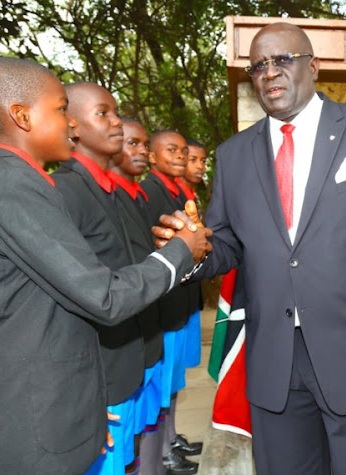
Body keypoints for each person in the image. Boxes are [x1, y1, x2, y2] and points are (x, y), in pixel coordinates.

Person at [172, 22, 346, 474]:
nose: (269, 72)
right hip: (274, 363)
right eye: (258, 66)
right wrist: (192, 247)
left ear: (313, 67)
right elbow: (227, 246)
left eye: (282, 60)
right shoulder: (235, 154)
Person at [0, 57, 210, 474]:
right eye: (60, 110)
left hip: (51, 407)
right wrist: (180, 251)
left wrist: (83, 408)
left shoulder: (25, 184)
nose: (71, 125)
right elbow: (103, 297)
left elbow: (59, 313)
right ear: (21, 116)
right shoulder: (9, 187)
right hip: (24, 417)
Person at [52, 82, 147, 475]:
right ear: (72, 125)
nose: (117, 124)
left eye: (116, 113)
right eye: (103, 113)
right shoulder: (64, 190)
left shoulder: (107, 190)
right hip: (97, 376)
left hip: (122, 361)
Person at [107, 117, 167, 472]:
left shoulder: (133, 195)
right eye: (133, 143)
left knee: (144, 422)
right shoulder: (85, 194)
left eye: (143, 144)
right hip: (119, 338)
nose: (141, 151)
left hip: (144, 328)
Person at [142, 130, 201, 475]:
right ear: (153, 156)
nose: (181, 156)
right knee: (161, 387)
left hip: (181, 300)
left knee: (173, 382)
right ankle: (162, 452)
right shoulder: (151, 191)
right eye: (173, 151)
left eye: (184, 151)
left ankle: (170, 440)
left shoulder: (180, 190)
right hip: (164, 302)